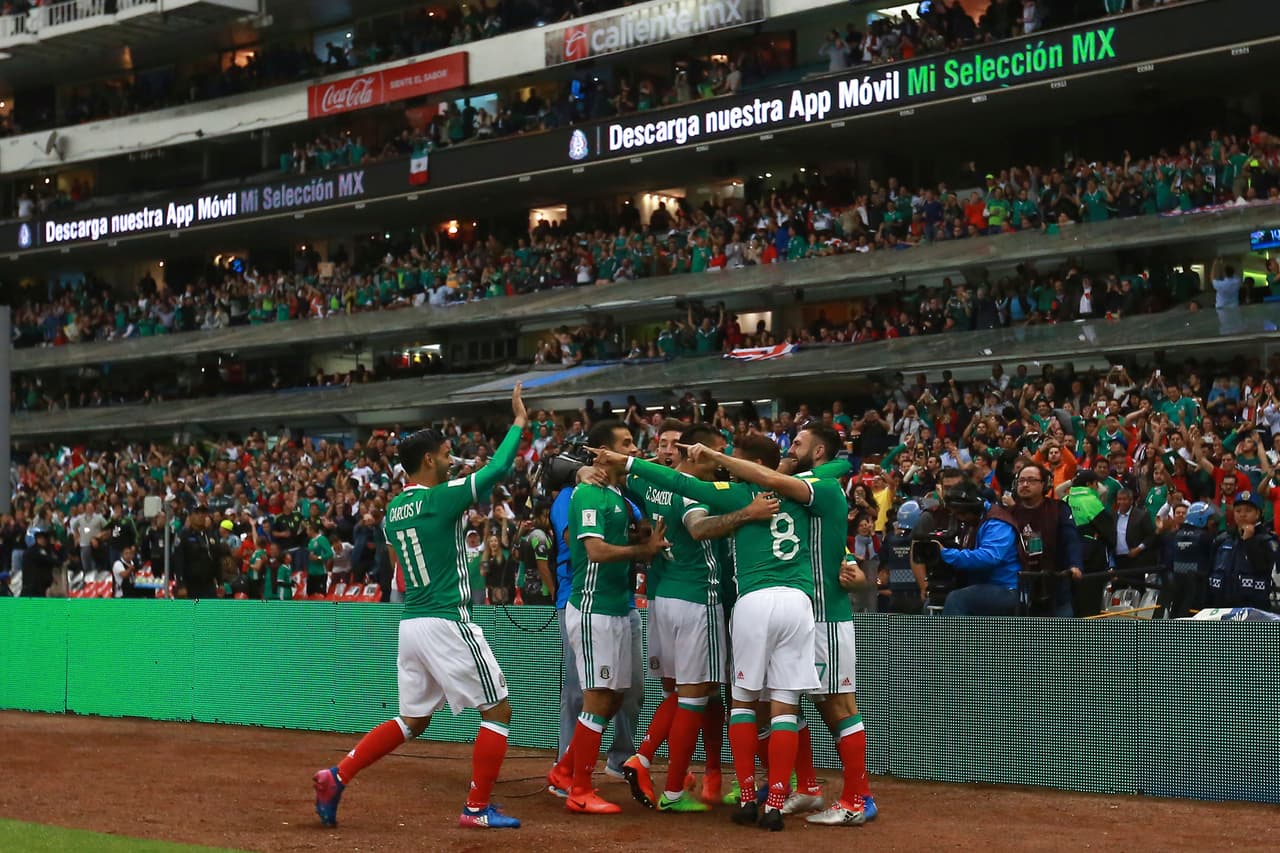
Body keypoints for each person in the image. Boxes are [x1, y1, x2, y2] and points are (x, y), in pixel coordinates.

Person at [312, 383, 529, 831]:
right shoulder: (441, 498)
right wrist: (519, 424)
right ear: (429, 460)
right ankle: (476, 808)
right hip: (448, 619)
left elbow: (401, 566)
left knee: (413, 718)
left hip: (411, 620)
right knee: (498, 710)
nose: (452, 461)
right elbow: (501, 466)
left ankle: (338, 775)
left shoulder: (393, 509)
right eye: (447, 454)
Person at [608, 433, 823, 832]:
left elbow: (675, 482)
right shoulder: (809, 491)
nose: (726, 464)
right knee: (774, 704)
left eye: (732, 459)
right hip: (762, 600)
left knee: (723, 698)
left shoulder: (727, 491)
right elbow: (698, 523)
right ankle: (775, 797)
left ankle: (733, 790)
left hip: (687, 600)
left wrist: (625, 465)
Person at [702, 423, 879, 827]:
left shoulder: (821, 488)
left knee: (836, 705)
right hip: (795, 614)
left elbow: (843, 552)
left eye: (797, 443)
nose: (789, 447)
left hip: (824, 617)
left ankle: (858, 797)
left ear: (818, 453)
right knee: (784, 705)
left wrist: (855, 572)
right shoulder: (795, 492)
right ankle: (809, 788)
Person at [617, 424, 777, 813]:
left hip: (663, 598)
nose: (721, 464)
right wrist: (747, 513)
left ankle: (693, 775)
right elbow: (699, 526)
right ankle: (668, 783)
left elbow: (625, 475)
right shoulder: (690, 492)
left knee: (687, 693)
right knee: (700, 695)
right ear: (694, 454)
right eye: (714, 454)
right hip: (698, 599)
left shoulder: (649, 482)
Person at [547, 419, 669, 815]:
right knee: (593, 696)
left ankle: (566, 771)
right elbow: (595, 551)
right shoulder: (587, 494)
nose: (635, 448)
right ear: (602, 452)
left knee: (615, 695)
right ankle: (580, 787)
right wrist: (642, 550)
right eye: (627, 442)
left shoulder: (620, 494)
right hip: (592, 606)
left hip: (618, 606)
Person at [936, 484, 1020, 616]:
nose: (959, 518)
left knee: (957, 599)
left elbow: (989, 557)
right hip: (980, 585)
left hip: (1006, 588)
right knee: (935, 598)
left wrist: (947, 554)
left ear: (971, 509)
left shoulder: (997, 522)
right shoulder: (974, 521)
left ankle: (953, 637)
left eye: (960, 514)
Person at [1207, 492, 1278, 612]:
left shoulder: (1267, 540)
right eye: (1238, 511)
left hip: (1255, 608)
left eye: (1248, 510)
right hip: (1222, 606)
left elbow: (1263, 567)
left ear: (1258, 514)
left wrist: (1249, 541)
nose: (1242, 514)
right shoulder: (1223, 538)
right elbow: (1210, 569)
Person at [1166, 501, 1215, 617]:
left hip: (1177, 587)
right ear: (1200, 519)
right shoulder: (1205, 537)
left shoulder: (1176, 535)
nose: (1213, 522)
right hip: (1199, 588)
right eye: (1209, 519)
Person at [171, 507, 219, 599]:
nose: (201, 516)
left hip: (208, 583)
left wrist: (220, 582)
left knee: (208, 611)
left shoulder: (210, 535)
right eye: (197, 513)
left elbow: (216, 559)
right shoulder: (183, 535)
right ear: (190, 516)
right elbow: (178, 561)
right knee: (192, 612)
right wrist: (181, 584)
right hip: (191, 583)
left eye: (203, 513)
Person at [20, 529, 58, 598]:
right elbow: (50, 560)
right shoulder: (37, 551)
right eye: (42, 538)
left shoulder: (31, 551)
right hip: (35, 584)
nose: (44, 541)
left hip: (33, 584)